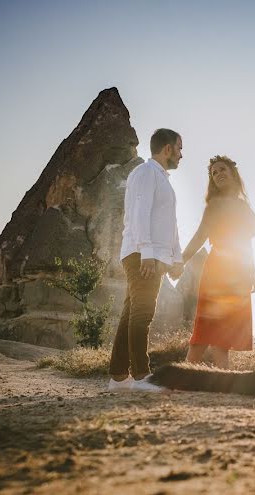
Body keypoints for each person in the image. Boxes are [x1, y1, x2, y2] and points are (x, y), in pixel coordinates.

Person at [108, 128, 185, 391]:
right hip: (141, 254)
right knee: (143, 313)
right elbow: (140, 214)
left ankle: (118, 377)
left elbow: (170, 225)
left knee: (132, 313)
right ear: (167, 149)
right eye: (179, 148)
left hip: (152, 255)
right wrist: (147, 254)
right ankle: (142, 376)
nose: (181, 154)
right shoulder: (145, 172)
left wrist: (176, 258)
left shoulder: (163, 180)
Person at [182, 155, 255, 368]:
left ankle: (221, 379)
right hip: (217, 269)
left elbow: (246, 242)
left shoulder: (242, 206)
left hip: (239, 270)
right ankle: (179, 378)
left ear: (232, 173)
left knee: (225, 332)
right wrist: (180, 261)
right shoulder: (213, 206)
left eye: (222, 170)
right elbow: (200, 237)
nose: (218, 175)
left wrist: (252, 271)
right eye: (214, 173)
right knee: (206, 326)